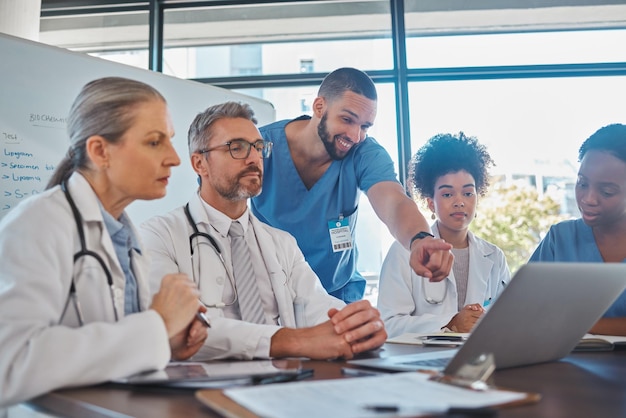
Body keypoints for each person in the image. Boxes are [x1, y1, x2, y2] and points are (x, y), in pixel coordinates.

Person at [0, 77, 208, 408]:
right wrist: (156, 325)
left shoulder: (125, 235)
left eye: (169, 140)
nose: (174, 158)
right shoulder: (37, 224)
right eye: (155, 142)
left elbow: (111, 348)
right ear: (100, 151)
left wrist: (164, 341)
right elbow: (8, 365)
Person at [140, 101, 387, 360]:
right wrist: (288, 341)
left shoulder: (282, 243)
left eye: (259, 148)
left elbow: (317, 306)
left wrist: (356, 323)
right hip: (198, 388)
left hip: (282, 383)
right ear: (200, 163)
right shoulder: (158, 236)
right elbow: (177, 328)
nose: (253, 158)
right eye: (237, 148)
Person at [251, 67, 453, 303]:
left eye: (365, 126)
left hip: (336, 294)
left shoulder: (365, 153)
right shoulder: (260, 146)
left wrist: (421, 239)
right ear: (319, 107)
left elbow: (394, 200)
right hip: (269, 293)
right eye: (347, 120)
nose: (355, 136)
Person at [377, 132, 510, 337]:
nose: (459, 202)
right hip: (420, 362)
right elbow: (389, 324)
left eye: (468, 193)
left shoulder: (494, 257)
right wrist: (449, 324)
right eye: (447, 194)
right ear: (431, 203)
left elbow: (506, 320)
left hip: (478, 360)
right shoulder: (405, 251)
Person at [529, 123, 626, 335]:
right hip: (562, 365)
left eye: (607, 191)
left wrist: (577, 326)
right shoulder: (560, 239)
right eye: (582, 184)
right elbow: (525, 312)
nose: (588, 199)